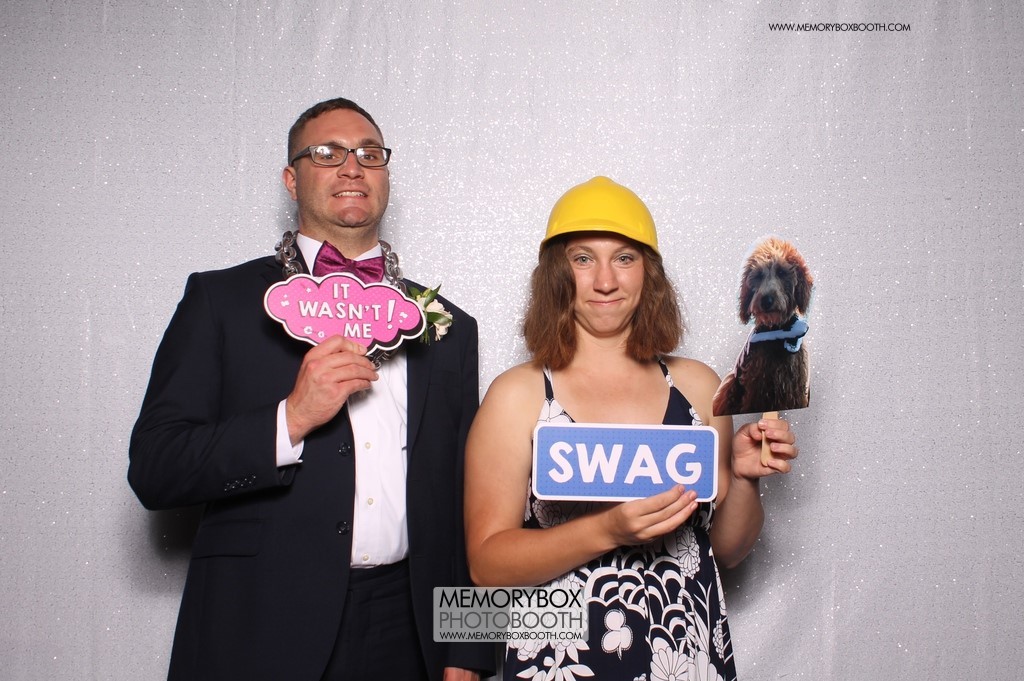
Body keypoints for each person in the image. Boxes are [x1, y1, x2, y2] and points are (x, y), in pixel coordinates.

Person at [129, 98, 493, 681]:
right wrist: (289, 420)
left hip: (409, 630)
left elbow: (468, 496)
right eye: (327, 153)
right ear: (291, 179)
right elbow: (154, 469)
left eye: (369, 154)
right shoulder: (220, 302)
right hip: (260, 624)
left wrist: (469, 648)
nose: (352, 166)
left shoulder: (448, 327)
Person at [464, 176, 798, 680]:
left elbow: (727, 551)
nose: (605, 281)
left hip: (684, 656)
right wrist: (606, 529)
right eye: (583, 259)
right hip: (563, 661)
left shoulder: (698, 387)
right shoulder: (519, 395)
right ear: (556, 274)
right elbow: (487, 568)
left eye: (624, 258)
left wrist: (746, 476)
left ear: (649, 274)